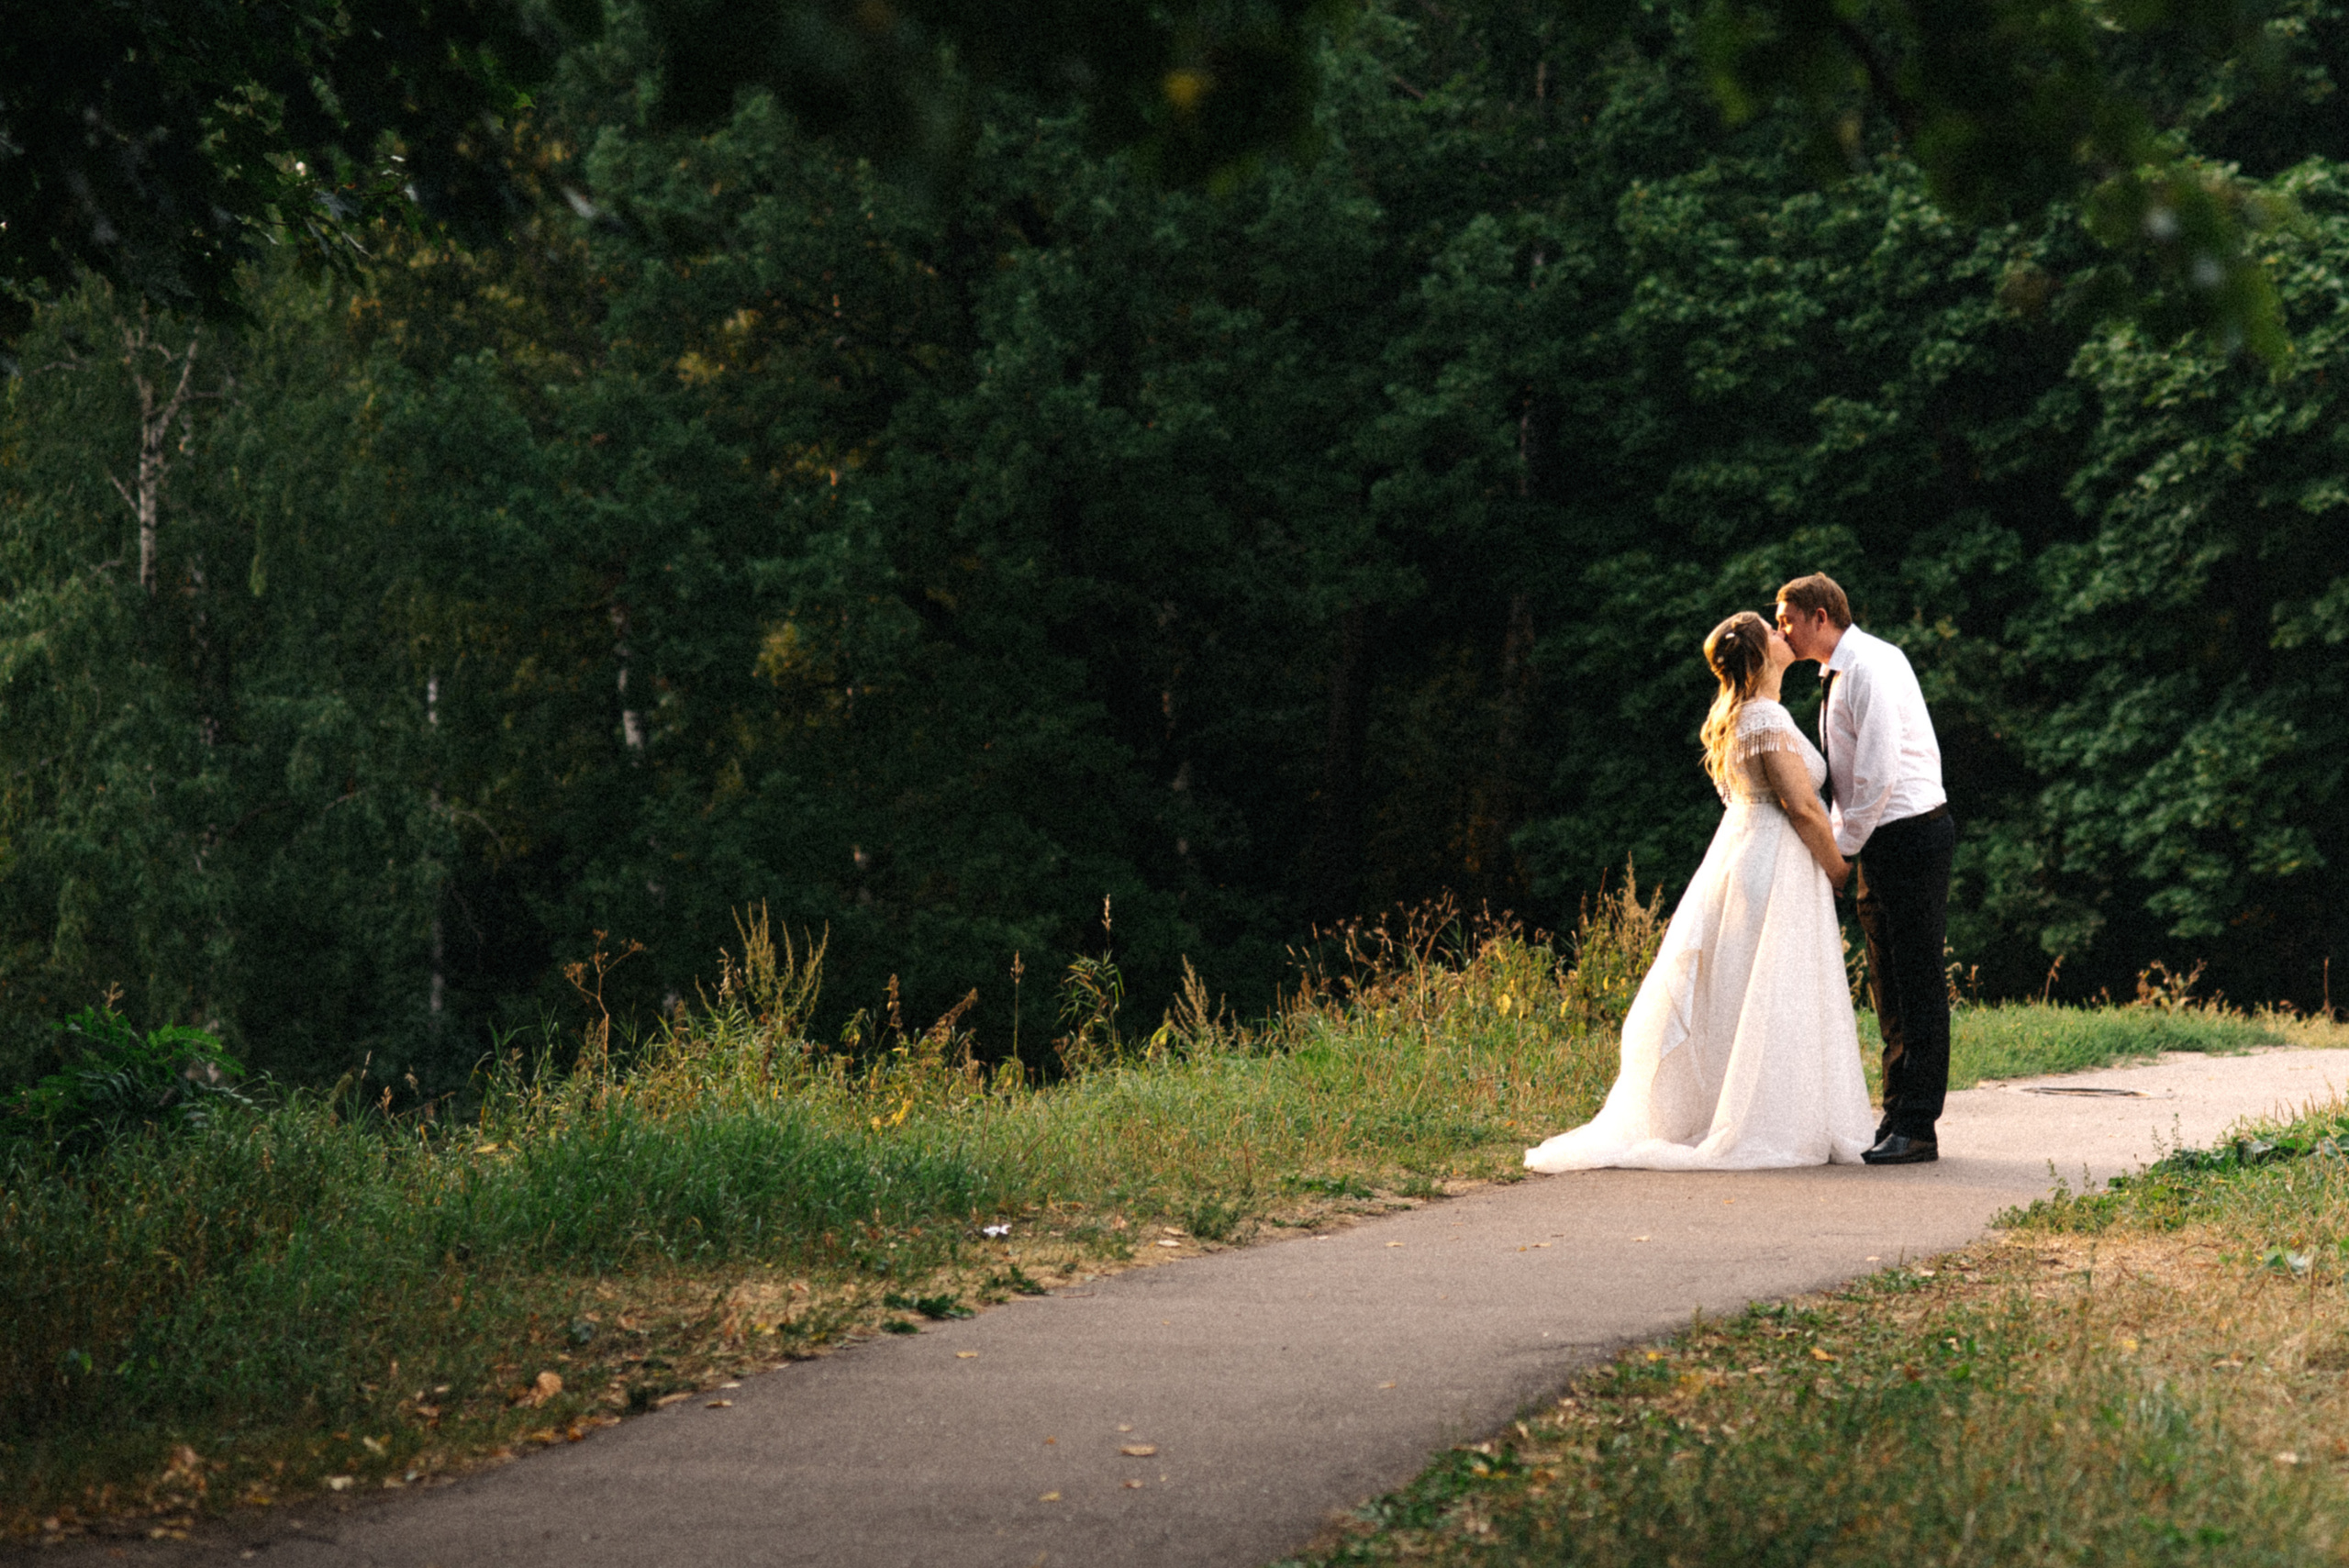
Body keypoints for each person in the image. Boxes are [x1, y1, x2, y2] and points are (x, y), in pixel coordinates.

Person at [1524, 612, 1876, 1173]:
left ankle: (1757, 1107)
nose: (1783, 633)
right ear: (1760, 654)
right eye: (1772, 630)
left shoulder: (1741, 716)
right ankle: (1767, 1118)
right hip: (1772, 861)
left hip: (1744, 854)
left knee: (1749, 985)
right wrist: (1838, 870)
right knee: (1773, 984)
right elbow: (1802, 806)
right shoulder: (1765, 717)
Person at [1775, 573, 1952, 1165]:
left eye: (1787, 619)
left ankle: (1918, 1126)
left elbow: (1877, 773)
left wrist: (1841, 852)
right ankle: (1897, 1114)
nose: (1782, 630)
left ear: (1820, 617)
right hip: (1881, 837)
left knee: (1917, 981)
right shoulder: (1838, 671)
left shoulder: (1870, 665)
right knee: (1887, 985)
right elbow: (1848, 782)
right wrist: (1842, 841)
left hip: (1909, 834)